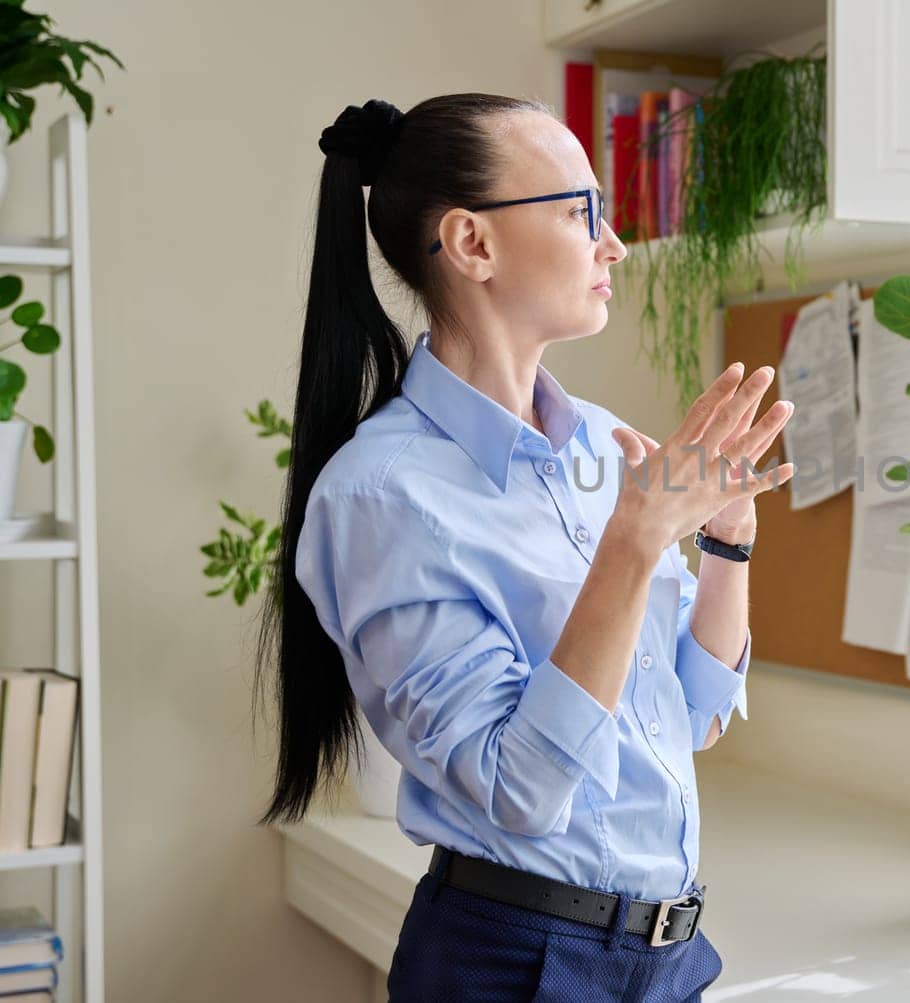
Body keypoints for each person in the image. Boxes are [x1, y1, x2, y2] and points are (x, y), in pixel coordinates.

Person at [253, 93, 795, 1001]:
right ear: (473, 244)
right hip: (516, 962)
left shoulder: (606, 448)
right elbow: (518, 787)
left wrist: (726, 545)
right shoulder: (382, 496)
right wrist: (635, 541)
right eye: (583, 210)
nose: (613, 242)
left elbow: (690, 719)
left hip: (669, 955)